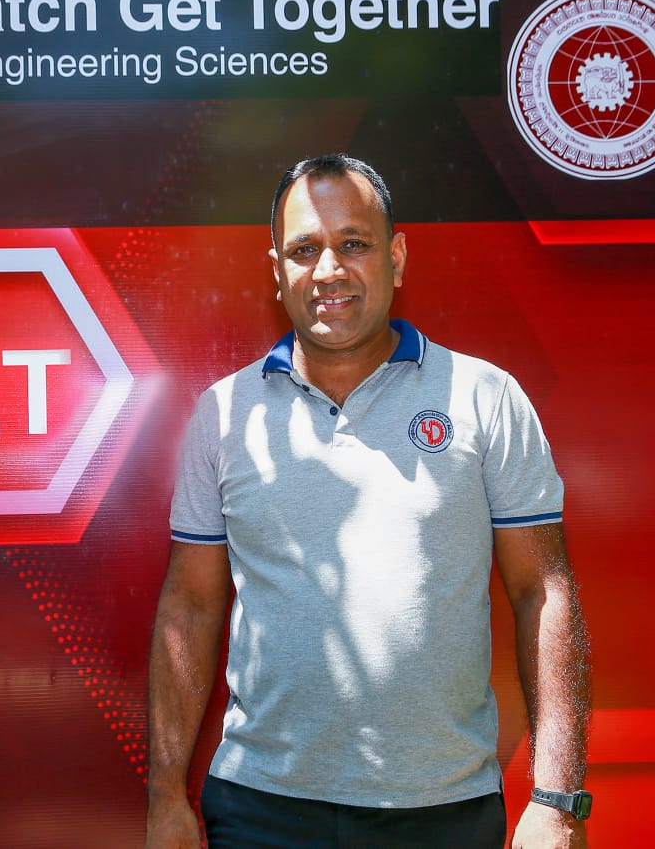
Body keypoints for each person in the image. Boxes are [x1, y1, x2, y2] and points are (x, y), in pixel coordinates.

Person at [145, 153, 591, 848]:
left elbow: (544, 589)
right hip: (263, 809)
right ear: (276, 270)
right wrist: (164, 795)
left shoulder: (484, 398)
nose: (328, 270)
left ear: (397, 256)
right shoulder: (222, 415)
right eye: (304, 249)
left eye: (353, 243)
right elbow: (191, 605)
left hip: (443, 808)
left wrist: (556, 800)